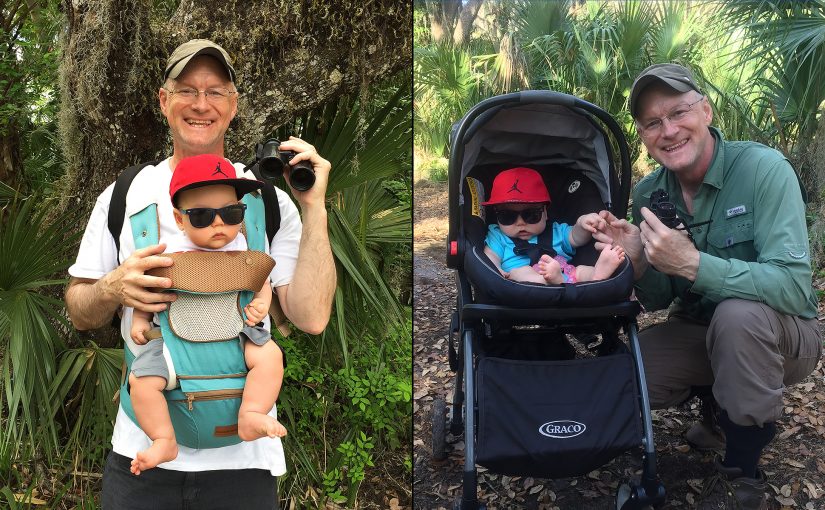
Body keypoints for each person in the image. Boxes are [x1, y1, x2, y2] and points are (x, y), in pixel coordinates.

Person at [65, 39, 335, 509]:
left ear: (234, 105)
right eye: (187, 89)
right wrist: (112, 286)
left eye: (216, 91)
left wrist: (314, 208)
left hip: (245, 463)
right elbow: (80, 311)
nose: (202, 104)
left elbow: (311, 318)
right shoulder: (123, 196)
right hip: (142, 454)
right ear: (164, 100)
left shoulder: (269, 202)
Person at [594, 63, 822, 509]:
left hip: (784, 335)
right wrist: (639, 263)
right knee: (621, 375)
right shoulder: (648, 193)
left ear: (707, 111)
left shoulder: (763, 169)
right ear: (642, 134)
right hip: (698, 330)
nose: (669, 130)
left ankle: (742, 474)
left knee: (738, 318)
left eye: (679, 113)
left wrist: (696, 264)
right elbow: (661, 297)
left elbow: (795, 288)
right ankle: (719, 410)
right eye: (653, 123)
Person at [128, 153, 287, 476]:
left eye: (231, 213)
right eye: (201, 215)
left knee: (270, 357)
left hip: (236, 334)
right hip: (174, 342)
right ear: (179, 219)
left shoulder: (245, 249)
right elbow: (147, 291)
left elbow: (262, 281)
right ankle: (163, 438)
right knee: (142, 382)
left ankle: (252, 413)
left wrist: (260, 302)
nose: (219, 224)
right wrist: (141, 319)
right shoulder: (167, 255)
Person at [482, 166, 625, 285]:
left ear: (545, 213)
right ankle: (549, 281)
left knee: (580, 270)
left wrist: (582, 223)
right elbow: (490, 256)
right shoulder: (498, 236)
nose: (520, 223)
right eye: (507, 217)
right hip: (525, 285)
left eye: (531, 215)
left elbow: (575, 237)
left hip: (566, 275)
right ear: (496, 216)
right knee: (519, 272)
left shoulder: (555, 231)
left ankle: (596, 276)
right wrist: (495, 270)